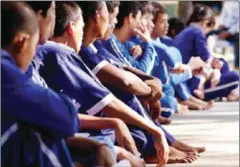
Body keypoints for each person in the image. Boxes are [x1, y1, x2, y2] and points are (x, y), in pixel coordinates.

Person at [88, 1, 205, 164]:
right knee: (136, 101)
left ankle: (164, 140)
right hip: (91, 125)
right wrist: (149, 45)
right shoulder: (98, 45)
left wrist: (151, 83)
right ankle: (160, 143)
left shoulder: (106, 45)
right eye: (111, 16)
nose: (113, 22)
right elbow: (125, 80)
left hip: (113, 115)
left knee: (143, 107)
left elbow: (127, 70)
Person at [26, 2, 135, 166]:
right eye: (53, 12)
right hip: (34, 146)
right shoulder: (55, 51)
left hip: (47, 135)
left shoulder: (39, 57)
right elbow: (117, 91)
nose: (54, 20)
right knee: (108, 144)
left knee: (106, 141)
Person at [1, 2, 79, 166]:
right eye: (33, 46)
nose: (34, 53)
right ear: (21, 42)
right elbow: (67, 117)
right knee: (34, 133)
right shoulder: (4, 71)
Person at [174, 4, 239, 101]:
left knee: (222, 63)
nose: (207, 33)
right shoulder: (198, 32)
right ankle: (230, 92)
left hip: (188, 78)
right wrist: (216, 71)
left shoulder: (186, 31)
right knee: (235, 77)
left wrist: (216, 70)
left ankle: (228, 91)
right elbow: (207, 59)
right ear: (205, 23)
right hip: (191, 86)